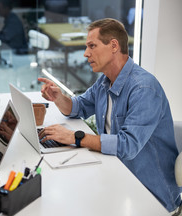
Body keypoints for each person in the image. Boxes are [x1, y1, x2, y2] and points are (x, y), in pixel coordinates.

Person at [38, 18, 182, 214]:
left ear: (113, 45)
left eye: (92, 46)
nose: (85, 53)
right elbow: (79, 107)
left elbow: (127, 146)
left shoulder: (144, 89)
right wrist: (58, 98)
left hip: (150, 197)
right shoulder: (105, 82)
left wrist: (75, 138)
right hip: (116, 175)